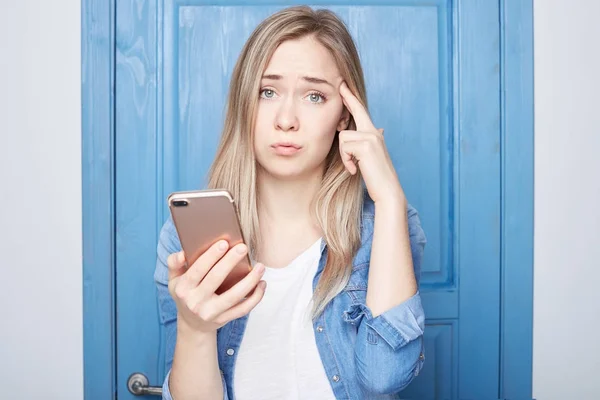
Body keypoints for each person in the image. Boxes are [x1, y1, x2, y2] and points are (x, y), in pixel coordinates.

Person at [154, 5, 427, 400]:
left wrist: (389, 198)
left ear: (344, 117)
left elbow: (385, 376)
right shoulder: (183, 239)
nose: (286, 119)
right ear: (244, 102)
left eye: (314, 96)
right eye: (268, 91)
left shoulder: (385, 226)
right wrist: (195, 328)